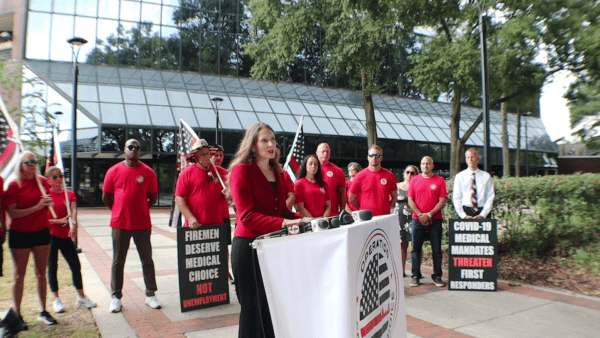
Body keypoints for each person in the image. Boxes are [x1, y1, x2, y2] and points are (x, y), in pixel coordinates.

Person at [228, 122, 309, 338]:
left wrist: (307, 220)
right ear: (253, 145)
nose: (271, 144)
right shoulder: (241, 171)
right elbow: (246, 216)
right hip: (248, 249)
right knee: (251, 311)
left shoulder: (278, 172)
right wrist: (286, 224)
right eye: (264, 140)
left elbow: (282, 211)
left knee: (271, 308)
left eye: (272, 139)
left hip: (272, 248)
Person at [102, 139, 160, 313]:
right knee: (118, 261)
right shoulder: (113, 171)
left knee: (147, 259)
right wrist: (118, 209)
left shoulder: (148, 172)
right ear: (124, 150)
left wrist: (140, 209)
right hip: (120, 224)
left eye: (137, 147)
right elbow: (106, 196)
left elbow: (153, 197)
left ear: (140, 151)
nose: (133, 150)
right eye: (130, 147)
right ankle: (116, 297)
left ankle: (150, 294)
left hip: (142, 223)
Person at [5, 151, 57, 326]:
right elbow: (13, 213)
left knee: (41, 274)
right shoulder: (13, 185)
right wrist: (38, 206)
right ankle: (17, 314)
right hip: (20, 233)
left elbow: (46, 204)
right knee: (19, 275)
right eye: (29, 162)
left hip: (41, 231)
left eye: (35, 161)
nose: (33, 164)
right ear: (21, 164)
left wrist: (48, 205)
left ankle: (43, 310)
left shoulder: (42, 181)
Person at [45, 166, 97, 313]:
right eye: (54, 177)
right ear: (49, 180)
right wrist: (58, 220)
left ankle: (81, 297)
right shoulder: (46, 196)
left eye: (60, 176)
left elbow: (73, 210)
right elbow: (44, 219)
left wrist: (73, 224)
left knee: (75, 265)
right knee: (52, 267)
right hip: (50, 236)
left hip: (65, 236)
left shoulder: (69, 194)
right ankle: (56, 299)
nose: (58, 179)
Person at [408, 156, 447, 288]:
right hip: (417, 220)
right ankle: (415, 275)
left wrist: (429, 214)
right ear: (421, 165)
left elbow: (442, 200)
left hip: (435, 220)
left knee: (436, 249)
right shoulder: (414, 180)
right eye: (423, 163)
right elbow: (410, 200)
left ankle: (437, 275)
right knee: (415, 249)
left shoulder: (439, 180)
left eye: (428, 163)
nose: (425, 165)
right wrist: (420, 215)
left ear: (432, 166)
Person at [175, 139, 229, 229]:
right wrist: (190, 217)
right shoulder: (186, 173)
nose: (206, 156)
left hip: (218, 225)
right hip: (196, 226)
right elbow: (178, 198)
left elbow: (234, 186)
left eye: (207, 153)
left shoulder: (220, 171)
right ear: (196, 156)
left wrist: (229, 193)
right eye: (202, 154)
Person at [348, 145, 397, 216]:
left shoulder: (389, 175)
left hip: (384, 216)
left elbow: (394, 196)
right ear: (368, 157)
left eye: (377, 155)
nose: (374, 158)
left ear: (381, 158)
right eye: (371, 155)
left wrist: (388, 207)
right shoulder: (360, 176)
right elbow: (351, 198)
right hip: (366, 218)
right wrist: (361, 209)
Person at [453, 148, 495, 219]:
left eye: (472, 157)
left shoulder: (486, 176)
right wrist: (463, 215)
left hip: (482, 211)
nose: (470, 159)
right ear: (466, 160)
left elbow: (490, 196)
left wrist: (483, 214)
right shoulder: (460, 176)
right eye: (468, 157)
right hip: (465, 211)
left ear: (478, 158)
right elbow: (456, 197)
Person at [395, 165, 419, 277]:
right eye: (407, 172)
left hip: (414, 217)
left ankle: (416, 271)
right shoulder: (397, 186)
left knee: (417, 245)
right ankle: (402, 270)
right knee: (402, 245)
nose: (410, 174)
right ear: (404, 174)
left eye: (412, 172)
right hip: (400, 218)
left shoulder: (418, 186)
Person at [316, 143, 346, 216]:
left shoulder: (337, 171)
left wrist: (342, 211)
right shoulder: (309, 170)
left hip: (332, 214)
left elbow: (342, 193)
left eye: (327, 151)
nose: (325, 153)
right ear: (317, 152)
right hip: (312, 214)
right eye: (323, 151)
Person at [275, 144, 295, 211]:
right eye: (273, 154)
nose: (275, 157)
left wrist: (280, 210)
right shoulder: (258, 172)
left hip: (282, 216)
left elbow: (292, 196)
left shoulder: (284, 174)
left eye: (277, 155)